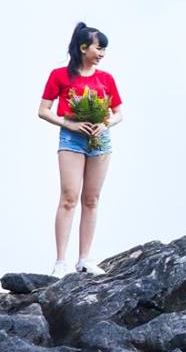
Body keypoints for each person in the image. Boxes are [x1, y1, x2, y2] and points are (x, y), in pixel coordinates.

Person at [36, 21, 124, 278]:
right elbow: (43, 110)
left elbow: (118, 113)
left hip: (100, 140)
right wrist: (69, 124)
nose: (102, 54)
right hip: (71, 139)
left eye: (104, 49)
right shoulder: (59, 75)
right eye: (99, 48)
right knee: (69, 198)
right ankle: (60, 262)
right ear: (83, 47)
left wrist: (105, 123)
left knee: (91, 200)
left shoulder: (106, 79)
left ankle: (84, 259)